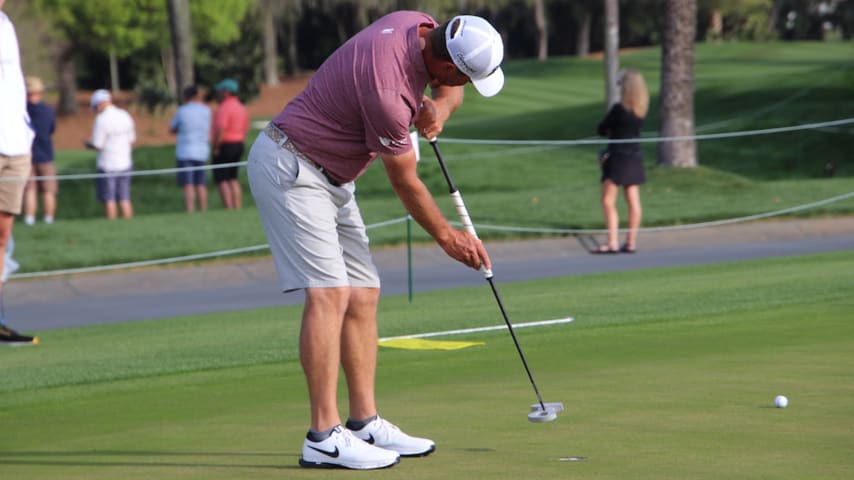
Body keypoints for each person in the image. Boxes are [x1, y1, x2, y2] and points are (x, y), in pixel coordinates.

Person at [246, 12, 504, 470]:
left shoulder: (417, 24)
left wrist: (438, 109)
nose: (463, 85)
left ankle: (364, 422)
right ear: (447, 66)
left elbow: (446, 88)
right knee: (329, 294)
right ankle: (322, 436)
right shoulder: (390, 95)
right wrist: (449, 238)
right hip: (292, 168)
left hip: (334, 175)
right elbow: (405, 182)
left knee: (363, 294)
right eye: (465, 78)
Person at [0, 0, 38, 345]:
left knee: (2, 237)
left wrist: (24, 134)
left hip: (14, 144)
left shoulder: (6, 24)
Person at [593, 68, 649, 254]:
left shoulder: (619, 110)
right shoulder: (640, 111)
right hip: (634, 158)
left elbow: (601, 128)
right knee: (633, 201)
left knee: (608, 201)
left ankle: (612, 242)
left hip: (617, 159)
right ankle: (631, 241)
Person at [86, 89, 136, 220]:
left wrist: (88, 143)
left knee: (109, 198)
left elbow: (98, 144)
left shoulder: (101, 119)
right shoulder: (124, 115)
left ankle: (111, 224)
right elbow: (131, 139)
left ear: (99, 104)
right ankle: (128, 225)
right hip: (125, 162)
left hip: (107, 164)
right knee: (125, 197)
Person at [170, 85, 212, 213]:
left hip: (185, 152)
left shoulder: (182, 111)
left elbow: (172, 128)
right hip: (202, 151)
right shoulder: (206, 110)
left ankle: (190, 210)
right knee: (201, 184)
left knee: (188, 185)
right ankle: (204, 210)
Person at [23, 75, 58, 226]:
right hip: (45, 154)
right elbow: (52, 129)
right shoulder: (48, 110)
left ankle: (29, 219)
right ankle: (48, 218)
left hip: (26, 154)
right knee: (48, 190)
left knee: (30, 189)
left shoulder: (21, 111)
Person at [210, 78, 248, 210]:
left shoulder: (224, 107)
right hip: (239, 144)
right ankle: (237, 207)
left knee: (222, 178)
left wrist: (216, 147)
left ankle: (228, 207)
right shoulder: (241, 107)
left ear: (226, 92)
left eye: (219, 91)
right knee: (233, 177)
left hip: (225, 145)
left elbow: (221, 129)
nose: (217, 93)